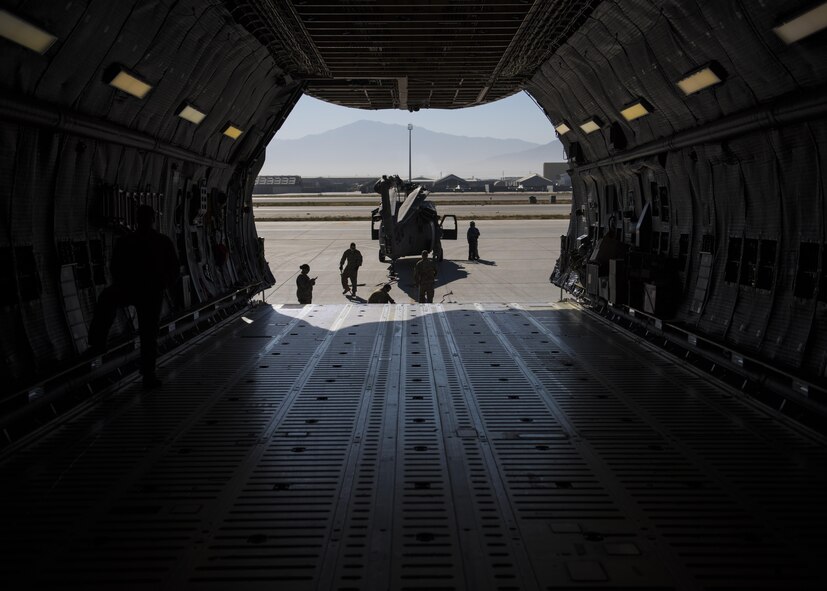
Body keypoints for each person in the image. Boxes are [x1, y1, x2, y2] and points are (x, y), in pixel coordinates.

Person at [88, 205, 179, 389]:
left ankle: (97, 343)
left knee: (107, 298)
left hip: (130, 288)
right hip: (152, 293)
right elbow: (174, 269)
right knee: (149, 334)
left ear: (137, 219)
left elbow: (114, 266)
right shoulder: (162, 241)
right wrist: (163, 284)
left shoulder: (126, 241)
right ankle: (148, 374)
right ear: (153, 219)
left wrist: (123, 282)